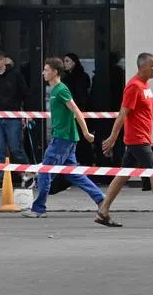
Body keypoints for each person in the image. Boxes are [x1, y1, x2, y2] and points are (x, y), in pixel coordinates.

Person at [95, 52, 153, 229]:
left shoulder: (145, 86)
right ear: (142, 67)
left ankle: (103, 211)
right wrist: (113, 137)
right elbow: (123, 114)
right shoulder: (134, 87)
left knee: (123, 175)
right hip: (137, 140)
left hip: (143, 138)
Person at [21, 58, 106, 218]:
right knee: (73, 173)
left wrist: (86, 133)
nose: (43, 73)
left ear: (54, 72)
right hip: (64, 137)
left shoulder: (61, 90)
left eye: (46, 70)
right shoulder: (55, 90)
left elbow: (76, 111)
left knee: (45, 172)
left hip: (62, 139)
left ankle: (38, 208)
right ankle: (100, 198)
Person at [0, 48, 32, 189]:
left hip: (13, 117)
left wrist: (26, 114)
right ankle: (3, 181)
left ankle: (28, 176)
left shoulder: (15, 75)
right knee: (0, 151)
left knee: (16, 149)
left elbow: (26, 95)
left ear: (3, 60)